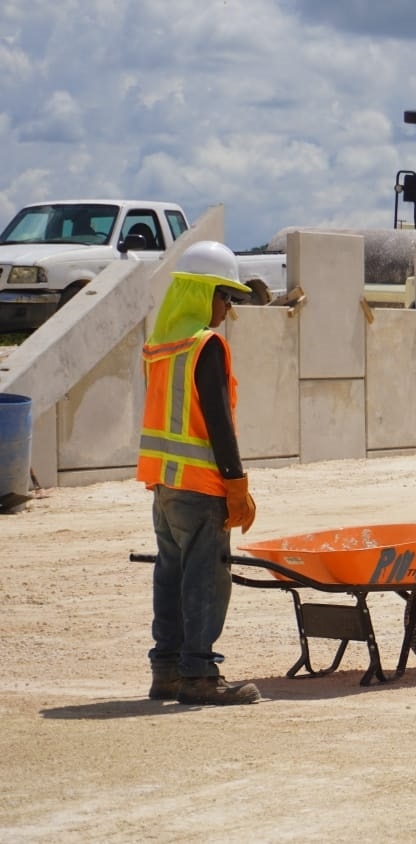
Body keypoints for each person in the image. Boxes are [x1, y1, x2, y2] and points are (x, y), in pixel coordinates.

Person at [136, 240, 261, 706]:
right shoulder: (205, 346)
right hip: (201, 486)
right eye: (224, 295)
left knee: (171, 575)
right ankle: (200, 676)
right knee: (206, 577)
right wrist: (237, 484)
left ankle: (166, 671)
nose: (228, 306)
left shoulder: (160, 347)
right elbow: (217, 421)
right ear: (201, 293)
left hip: (165, 486)